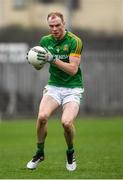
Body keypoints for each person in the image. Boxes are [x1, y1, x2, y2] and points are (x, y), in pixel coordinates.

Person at [26, 12, 84, 171]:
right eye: (51, 26)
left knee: (66, 123)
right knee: (42, 116)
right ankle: (39, 152)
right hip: (54, 87)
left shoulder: (75, 41)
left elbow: (73, 69)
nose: (54, 29)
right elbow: (40, 66)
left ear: (64, 23)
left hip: (73, 88)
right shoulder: (45, 41)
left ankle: (70, 152)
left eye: (58, 25)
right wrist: (34, 61)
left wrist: (53, 59)